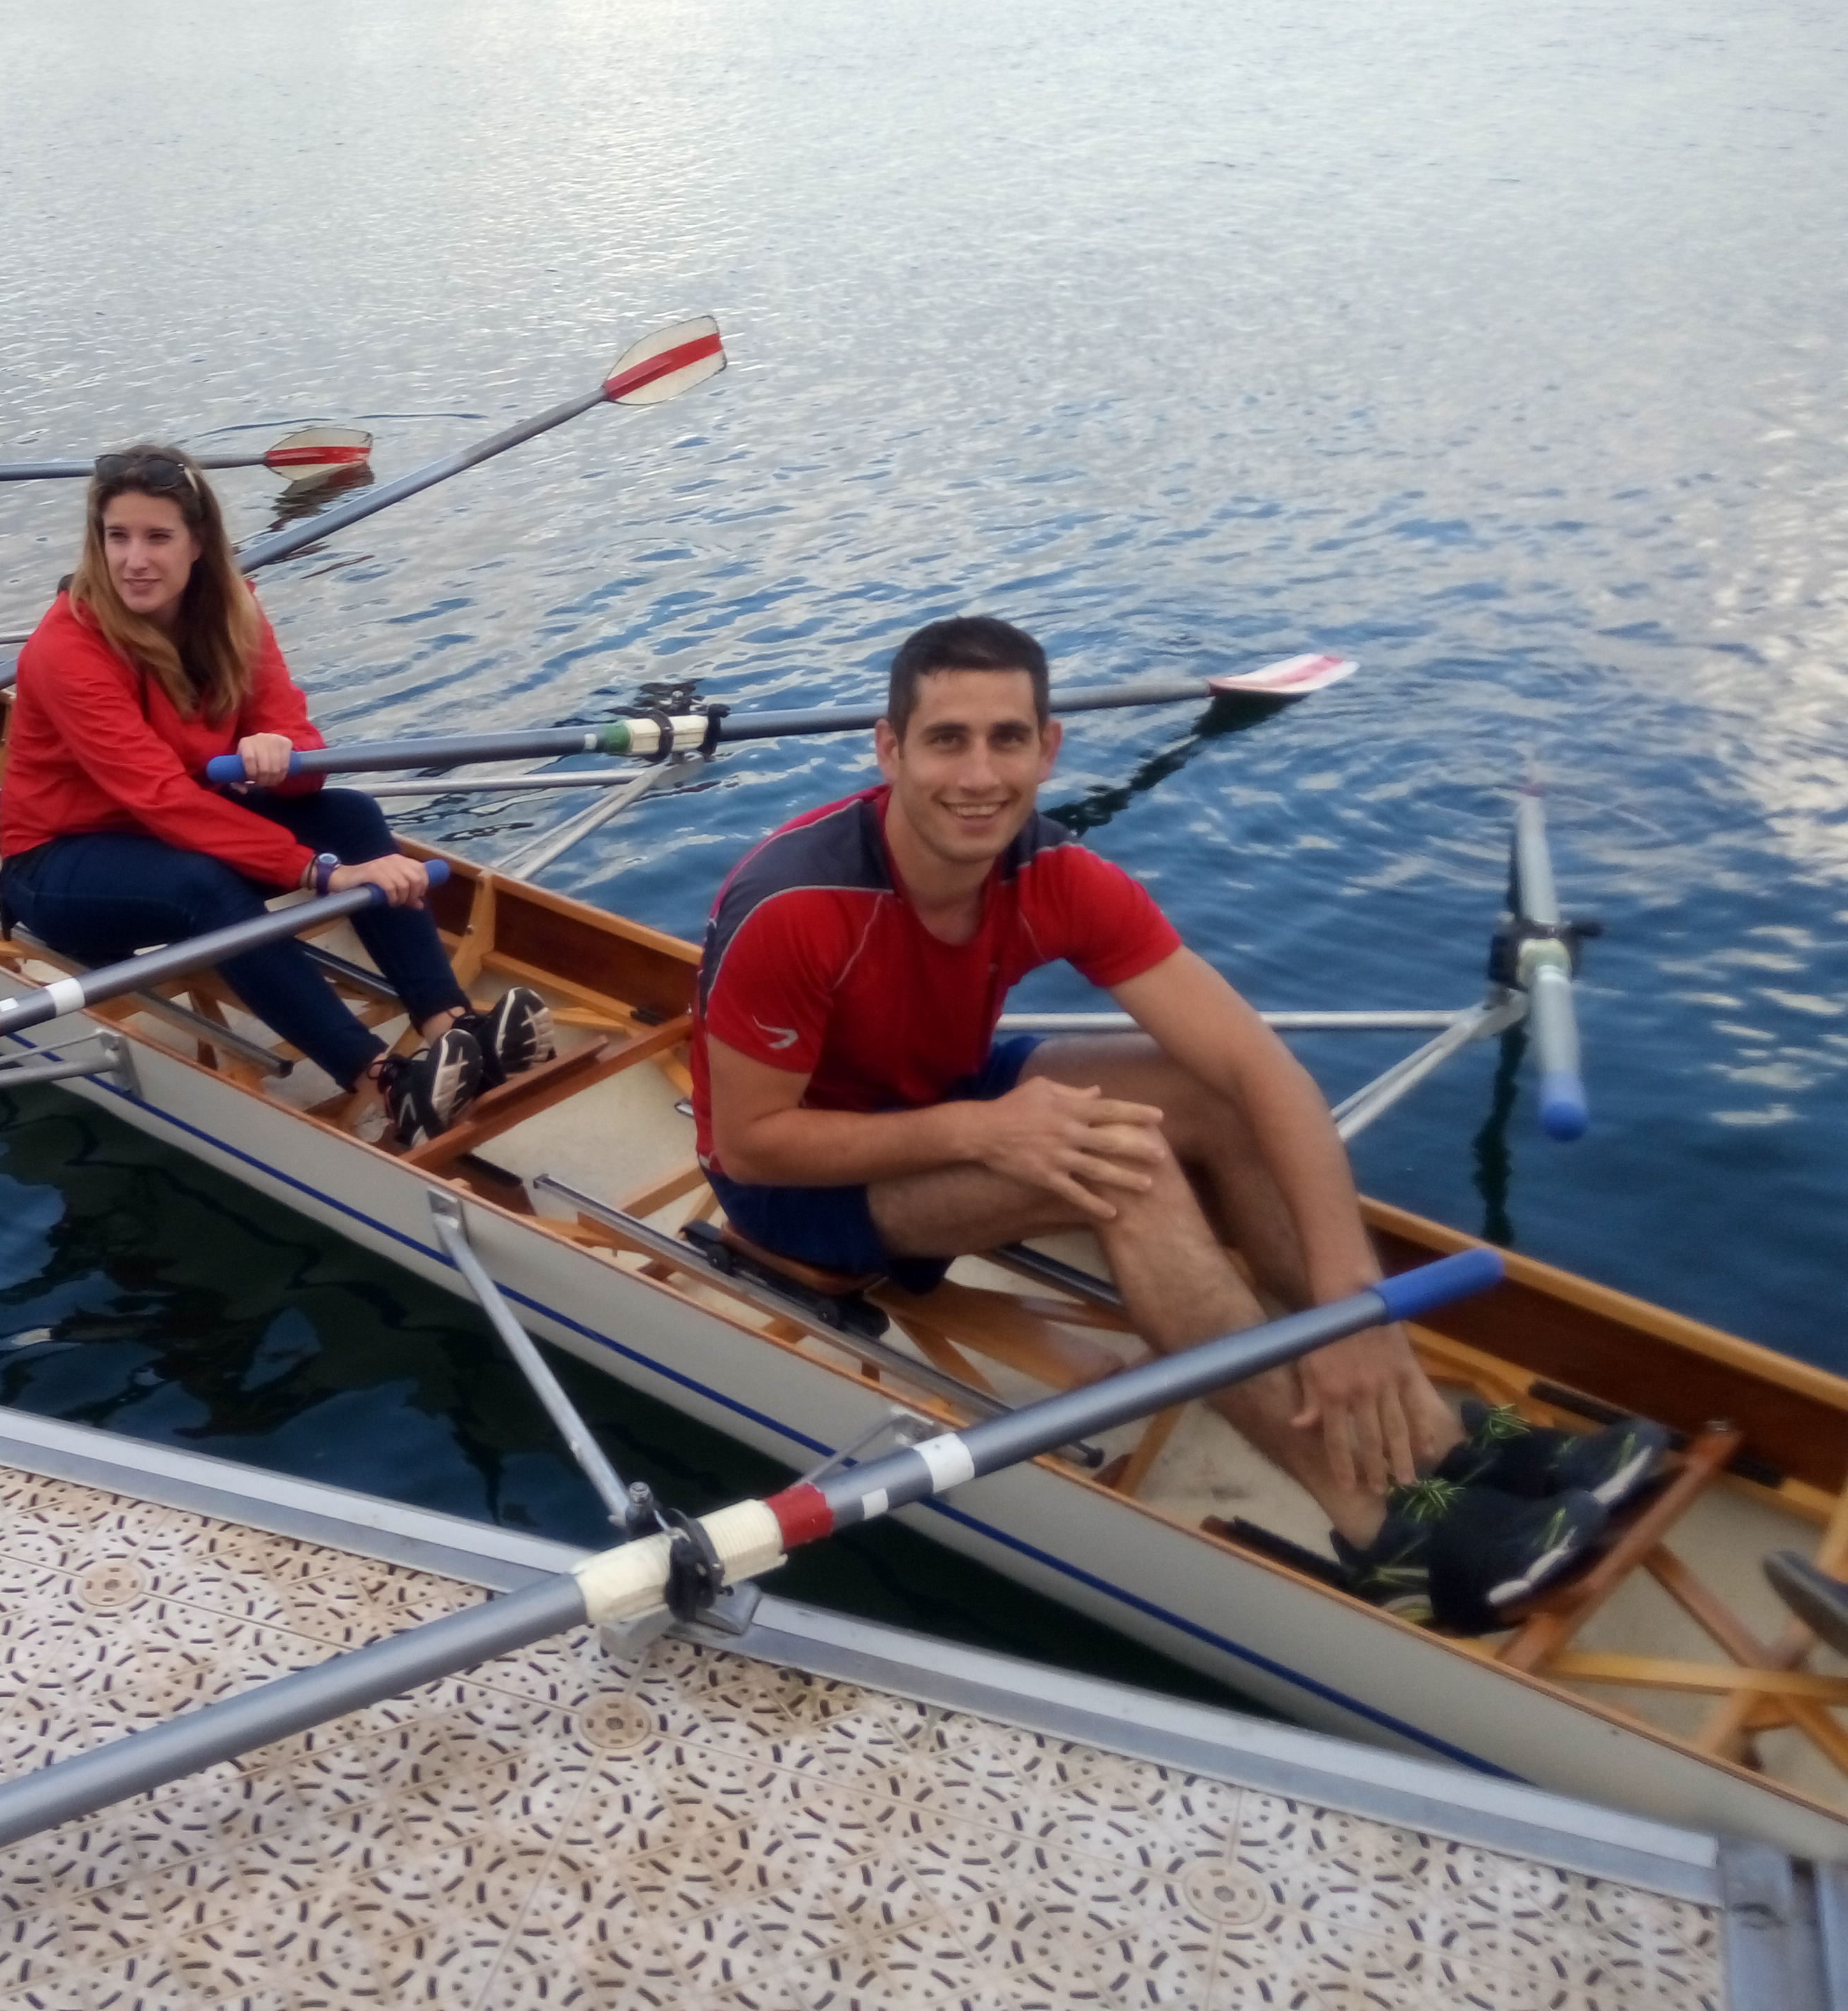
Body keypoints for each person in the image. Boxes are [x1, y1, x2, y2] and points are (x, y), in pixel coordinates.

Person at [690, 615, 1663, 1632]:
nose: (979, 774)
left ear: (1048, 748)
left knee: (1210, 1092)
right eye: (946, 739)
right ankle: (1381, 1533)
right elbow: (754, 1144)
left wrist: (1353, 1307)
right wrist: (985, 1135)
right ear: (889, 751)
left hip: (943, 1094)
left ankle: (1432, 1441)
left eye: (1007, 738)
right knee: (1130, 1163)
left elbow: (1261, 1068)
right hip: (794, 1190)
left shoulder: (1054, 874)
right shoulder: (797, 906)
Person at [0, 445, 554, 1143]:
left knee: (351, 814)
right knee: (198, 884)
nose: (133, 558)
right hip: (56, 862)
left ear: (198, 543)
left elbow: (296, 737)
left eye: (157, 537)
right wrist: (321, 872)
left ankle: (450, 1024)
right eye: (118, 536)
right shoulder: (65, 649)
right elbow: (162, 800)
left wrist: (285, 758)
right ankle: (383, 1080)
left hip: (172, 825)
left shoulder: (235, 607)